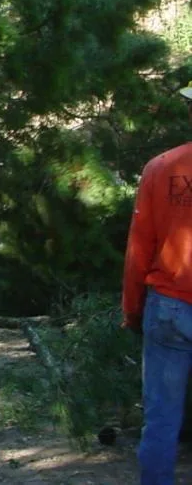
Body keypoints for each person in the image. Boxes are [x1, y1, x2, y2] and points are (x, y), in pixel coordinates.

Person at [122, 81, 192, 485]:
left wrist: (132, 310)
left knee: (162, 420)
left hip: (168, 309)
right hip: (170, 303)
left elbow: (139, 248)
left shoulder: (160, 168)